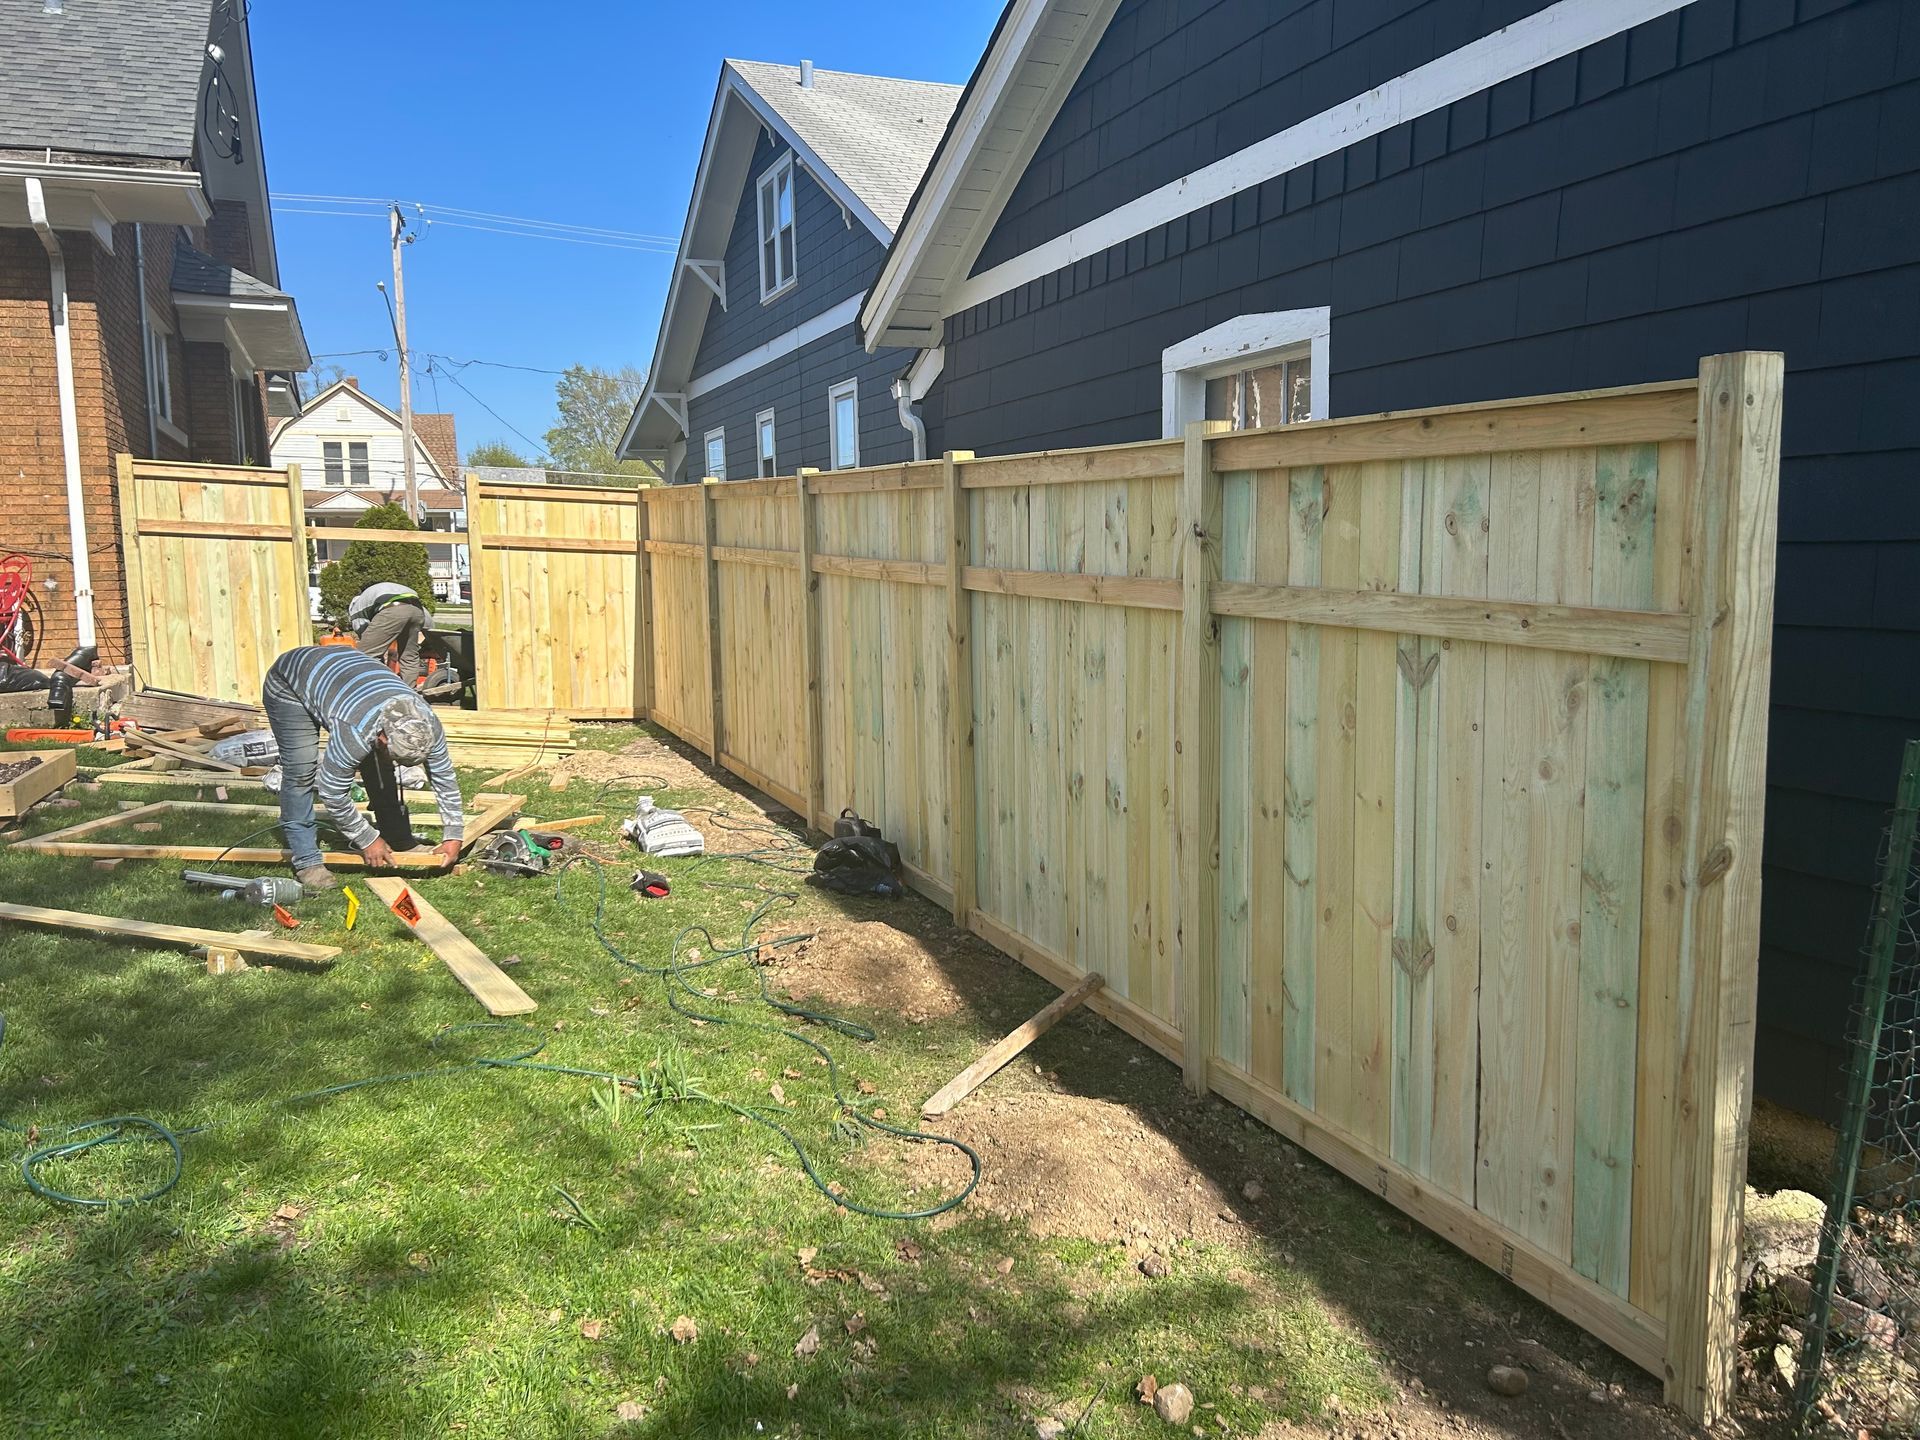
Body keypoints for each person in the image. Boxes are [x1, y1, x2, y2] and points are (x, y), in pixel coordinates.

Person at [262, 645, 464, 888]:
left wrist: (454, 835)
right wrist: (366, 838)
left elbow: (444, 778)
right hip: (289, 682)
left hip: (345, 678)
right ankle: (307, 860)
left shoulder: (428, 723)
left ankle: (398, 837)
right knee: (301, 770)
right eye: (394, 755)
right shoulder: (354, 730)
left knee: (379, 763)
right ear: (382, 737)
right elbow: (332, 791)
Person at [347, 581, 432, 686]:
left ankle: (375, 689)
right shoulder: (371, 596)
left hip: (392, 609)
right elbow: (427, 621)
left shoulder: (356, 610)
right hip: (418, 610)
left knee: (364, 656)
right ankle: (409, 692)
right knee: (409, 657)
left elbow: (367, 641)